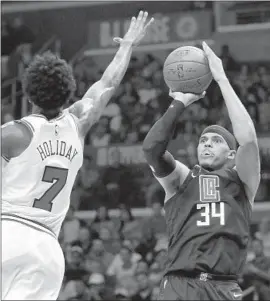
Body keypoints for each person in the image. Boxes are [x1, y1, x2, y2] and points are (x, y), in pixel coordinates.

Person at [1, 11, 154, 300]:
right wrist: (127, 46)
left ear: (29, 95)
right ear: (68, 91)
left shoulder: (10, 135)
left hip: (6, 232)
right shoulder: (79, 123)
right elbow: (106, 85)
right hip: (46, 248)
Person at [143, 41, 261, 300]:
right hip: (179, 285)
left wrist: (221, 78)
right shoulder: (183, 179)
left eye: (216, 141)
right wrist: (179, 104)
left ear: (232, 155)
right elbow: (152, 149)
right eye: (203, 141)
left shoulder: (242, 182)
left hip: (224, 287)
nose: (207, 144)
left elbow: (249, 140)